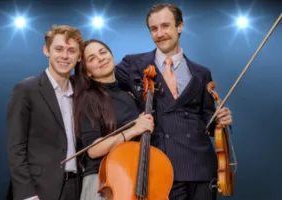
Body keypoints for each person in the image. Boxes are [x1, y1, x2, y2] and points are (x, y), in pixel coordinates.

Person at [115, 3, 233, 200]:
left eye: (165, 26)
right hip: (160, 164)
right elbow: (103, 82)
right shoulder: (133, 64)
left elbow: (207, 119)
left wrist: (220, 121)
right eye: (154, 28)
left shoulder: (201, 73)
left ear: (180, 26)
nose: (160, 33)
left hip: (202, 167)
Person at [7, 25, 84, 200]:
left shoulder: (82, 93)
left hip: (76, 187)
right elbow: (16, 148)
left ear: (79, 56)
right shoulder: (26, 89)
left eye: (71, 51)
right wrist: (27, 195)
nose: (65, 56)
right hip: (39, 189)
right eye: (59, 49)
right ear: (46, 50)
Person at [73, 39, 154, 200]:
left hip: (130, 176)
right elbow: (93, 150)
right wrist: (133, 130)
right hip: (102, 181)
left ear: (111, 55)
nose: (101, 58)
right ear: (88, 72)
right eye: (92, 58)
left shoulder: (128, 95)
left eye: (103, 52)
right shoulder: (88, 99)